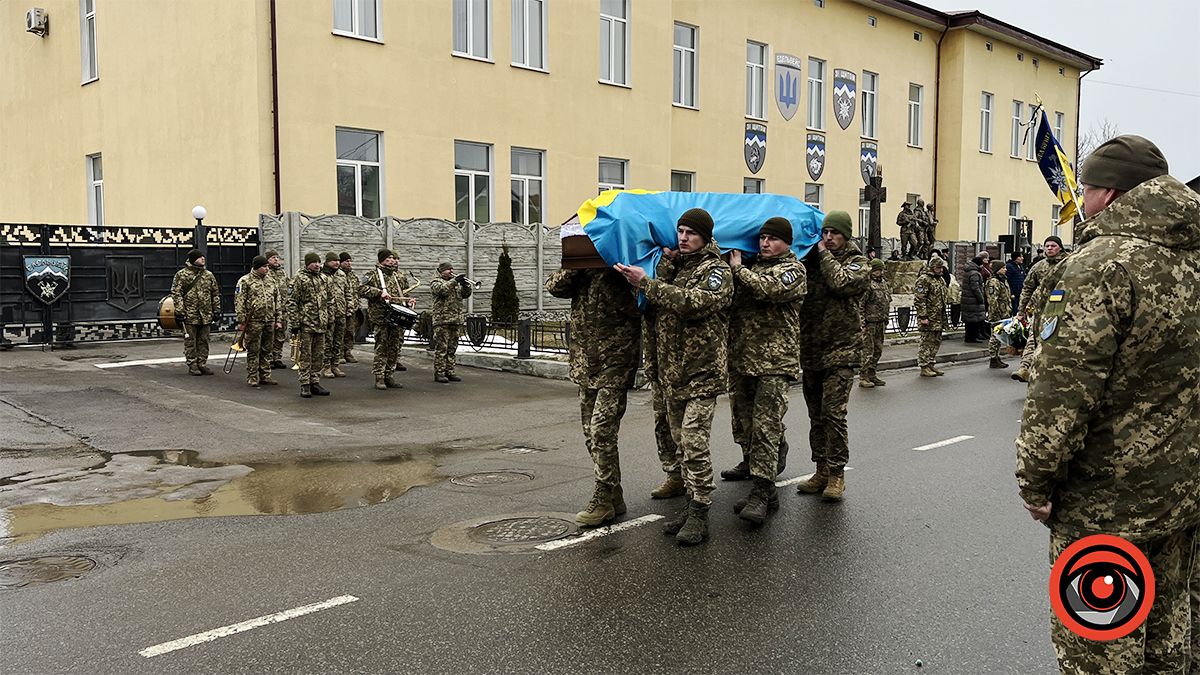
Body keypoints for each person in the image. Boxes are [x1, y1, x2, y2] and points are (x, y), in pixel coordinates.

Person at [1016, 134, 1199, 673]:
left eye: (1088, 189)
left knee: (1100, 644)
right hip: (1184, 491)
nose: (1082, 203)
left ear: (1112, 195)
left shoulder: (1101, 264)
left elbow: (1061, 391)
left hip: (1107, 502)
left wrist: (1036, 482)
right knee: (1168, 638)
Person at [615, 208, 732, 545]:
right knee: (680, 443)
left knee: (694, 443)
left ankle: (700, 511)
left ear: (705, 237)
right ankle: (690, 503)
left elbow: (692, 304)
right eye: (680, 231)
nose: (683, 237)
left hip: (701, 373)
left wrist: (648, 283)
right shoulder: (678, 269)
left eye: (691, 233)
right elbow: (655, 309)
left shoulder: (716, 271)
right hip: (673, 372)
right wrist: (662, 268)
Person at [725, 217, 806, 524]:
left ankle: (762, 491)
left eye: (772, 238)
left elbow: (767, 290)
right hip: (743, 359)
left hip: (775, 363)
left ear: (787, 242)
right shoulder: (749, 268)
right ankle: (759, 471)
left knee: (765, 425)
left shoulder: (793, 271)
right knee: (744, 422)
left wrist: (738, 269)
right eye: (761, 238)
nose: (764, 243)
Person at [546, 266, 640, 527]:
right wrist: (577, 270)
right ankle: (613, 492)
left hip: (616, 359)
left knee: (601, 430)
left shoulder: (624, 259)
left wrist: (619, 272)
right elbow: (554, 287)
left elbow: (640, 304)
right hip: (585, 360)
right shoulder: (582, 263)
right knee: (591, 433)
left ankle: (602, 497)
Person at [793, 211, 870, 501]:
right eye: (825, 232)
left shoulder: (857, 263)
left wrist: (822, 254)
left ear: (845, 235)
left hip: (842, 351)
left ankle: (837, 473)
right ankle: (821, 468)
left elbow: (840, 283)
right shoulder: (812, 260)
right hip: (812, 349)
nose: (828, 238)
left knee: (833, 413)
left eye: (834, 233)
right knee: (816, 415)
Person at [1011, 236, 1070, 383]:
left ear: (1060, 248)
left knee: (1058, 345)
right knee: (1033, 339)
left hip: (1064, 311)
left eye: (1053, 245)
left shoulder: (1069, 264)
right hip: (1041, 312)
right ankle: (1024, 368)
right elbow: (1027, 288)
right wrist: (1021, 311)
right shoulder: (1039, 266)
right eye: (1047, 246)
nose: (1049, 248)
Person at [643, 304, 685, 500]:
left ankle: (694, 485)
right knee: (662, 423)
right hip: (658, 362)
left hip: (683, 366)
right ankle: (674, 475)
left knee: (685, 430)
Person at [360, 249, 413, 390]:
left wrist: (408, 301)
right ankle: (379, 377)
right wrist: (379, 292)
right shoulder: (372, 275)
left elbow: (406, 292)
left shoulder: (399, 276)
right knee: (382, 347)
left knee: (394, 348)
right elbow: (360, 289)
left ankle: (389, 375)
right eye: (388, 258)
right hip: (381, 317)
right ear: (381, 260)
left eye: (392, 258)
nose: (392, 260)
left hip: (397, 318)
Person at [170, 249, 222, 376]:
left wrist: (216, 310)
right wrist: (180, 311)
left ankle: (202, 363)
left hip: (205, 314)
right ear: (193, 260)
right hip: (189, 314)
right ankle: (192, 365)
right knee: (190, 341)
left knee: (203, 340)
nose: (203, 259)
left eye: (203, 257)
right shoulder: (181, 275)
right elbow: (176, 294)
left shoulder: (208, 275)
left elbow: (214, 293)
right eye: (199, 257)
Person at [234, 255, 283, 387]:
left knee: (267, 349)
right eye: (264, 266)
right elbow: (239, 302)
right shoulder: (245, 281)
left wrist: (278, 319)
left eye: (267, 266)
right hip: (254, 321)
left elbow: (277, 301)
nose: (267, 269)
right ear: (256, 267)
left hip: (269, 319)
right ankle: (252, 376)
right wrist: (242, 321)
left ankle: (265, 375)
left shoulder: (271, 281)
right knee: (253, 349)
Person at [287, 252, 331, 398]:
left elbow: (328, 300)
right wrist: (294, 322)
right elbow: (292, 302)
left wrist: (328, 318)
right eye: (314, 262)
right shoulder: (300, 279)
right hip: (305, 323)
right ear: (307, 264)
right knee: (305, 355)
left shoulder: (324, 278)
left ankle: (315, 381)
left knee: (319, 355)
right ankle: (305, 383)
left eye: (319, 262)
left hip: (321, 323)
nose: (317, 265)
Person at [429, 262, 472, 383]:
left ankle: (450, 371)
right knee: (442, 348)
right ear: (442, 271)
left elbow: (465, 295)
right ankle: (440, 373)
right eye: (448, 269)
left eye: (452, 269)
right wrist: (455, 281)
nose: (451, 271)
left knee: (452, 348)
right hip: (442, 320)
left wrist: (465, 286)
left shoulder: (455, 284)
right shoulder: (436, 282)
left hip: (455, 320)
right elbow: (442, 291)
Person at [858, 258, 891, 388]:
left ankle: (872, 374)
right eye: (879, 270)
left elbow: (887, 300)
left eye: (882, 270)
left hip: (881, 321)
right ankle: (863, 376)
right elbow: (860, 305)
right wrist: (862, 324)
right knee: (868, 350)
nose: (881, 272)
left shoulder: (883, 283)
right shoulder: (867, 284)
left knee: (878, 350)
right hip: (870, 323)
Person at [913, 256, 948, 377]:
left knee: (936, 341)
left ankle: (931, 363)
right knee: (926, 342)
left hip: (938, 317)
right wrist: (923, 316)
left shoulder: (940, 279)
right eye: (939, 267)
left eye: (942, 267)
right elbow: (919, 299)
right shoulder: (924, 279)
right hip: (929, 317)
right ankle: (924, 365)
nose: (941, 270)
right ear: (933, 267)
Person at [321, 251, 352, 379]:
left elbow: (347, 292)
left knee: (338, 341)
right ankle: (326, 366)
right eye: (334, 260)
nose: (337, 263)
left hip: (341, 312)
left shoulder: (341, 274)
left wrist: (349, 307)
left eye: (338, 261)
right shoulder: (322, 275)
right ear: (327, 261)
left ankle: (335, 364)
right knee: (328, 341)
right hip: (328, 313)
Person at [265, 249, 290, 369]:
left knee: (280, 335)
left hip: (283, 309)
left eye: (277, 257)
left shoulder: (282, 273)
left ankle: (277, 357)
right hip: (270, 310)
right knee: (269, 335)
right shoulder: (265, 272)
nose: (276, 259)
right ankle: (268, 358)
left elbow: (288, 287)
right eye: (273, 257)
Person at [984, 261, 1011, 369]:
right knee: (995, 336)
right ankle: (993, 358)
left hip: (1004, 312)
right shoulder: (994, 282)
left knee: (1000, 336)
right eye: (1003, 268)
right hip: (997, 314)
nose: (1005, 269)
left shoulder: (1002, 280)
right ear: (997, 269)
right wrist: (995, 314)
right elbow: (992, 300)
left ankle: (997, 356)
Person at [960, 255, 987, 343]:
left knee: (969, 320)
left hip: (967, 300)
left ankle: (969, 337)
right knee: (974, 320)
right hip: (973, 300)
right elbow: (975, 288)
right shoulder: (975, 273)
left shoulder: (968, 271)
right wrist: (981, 299)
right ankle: (972, 338)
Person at [339, 252, 360, 363]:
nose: (349, 263)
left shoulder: (353, 276)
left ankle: (348, 352)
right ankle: (339, 353)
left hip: (353, 308)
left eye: (350, 261)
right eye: (346, 261)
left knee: (350, 331)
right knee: (340, 331)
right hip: (341, 308)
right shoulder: (337, 275)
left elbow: (357, 291)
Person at [1004, 252, 1026, 316]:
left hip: (1020, 292)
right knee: (1014, 310)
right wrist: (1011, 292)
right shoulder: (1009, 266)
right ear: (1016, 258)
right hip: (1014, 293)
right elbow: (1008, 280)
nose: (1022, 258)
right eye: (1020, 257)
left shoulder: (1021, 266)